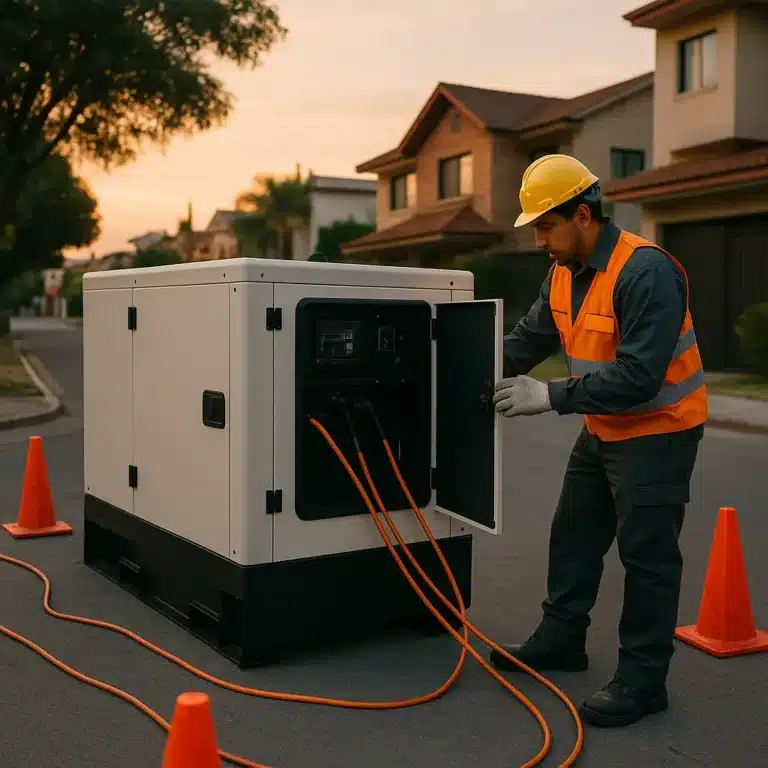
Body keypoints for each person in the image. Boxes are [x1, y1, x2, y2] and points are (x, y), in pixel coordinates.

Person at [489, 154, 708, 728]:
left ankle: (642, 681)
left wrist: (550, 397)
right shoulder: (564, 270)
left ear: (582, 216)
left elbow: (640, 376)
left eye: (544, 226)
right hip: (604, 427)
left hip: (659, 430)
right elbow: (528, 338)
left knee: (648, 558)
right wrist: (461, 373)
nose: (538, 240)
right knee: (574, 536)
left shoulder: (646, 272)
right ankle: (562, 640)